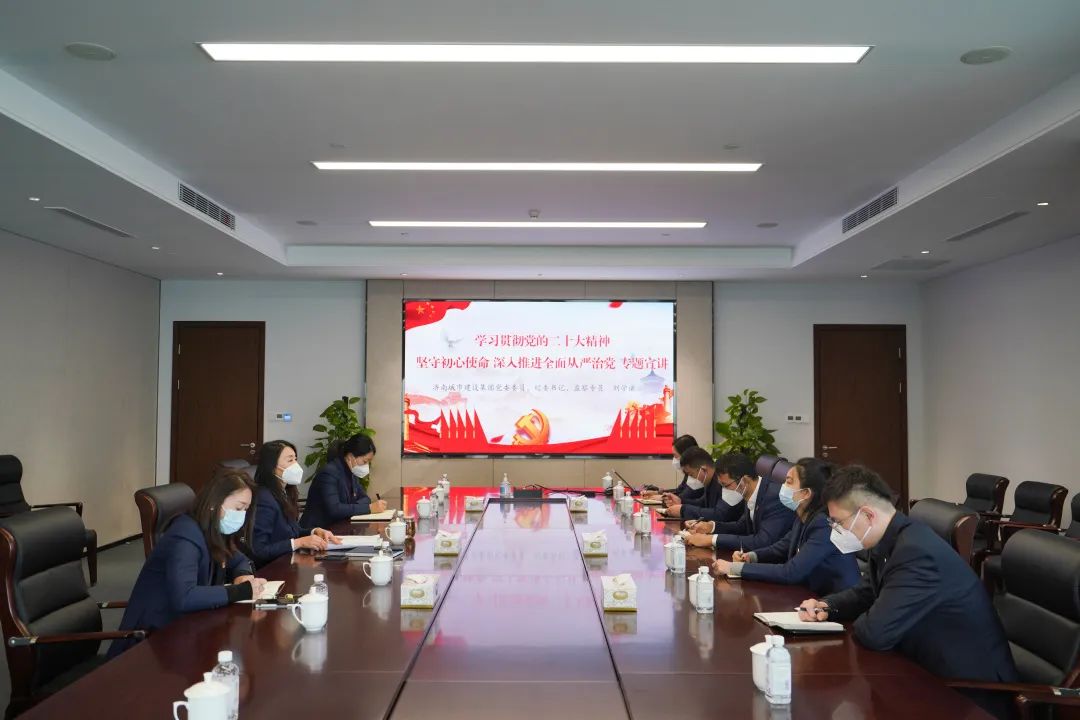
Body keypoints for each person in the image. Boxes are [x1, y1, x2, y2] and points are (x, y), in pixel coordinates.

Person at [796, 465, 1017, 718]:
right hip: (925, 672)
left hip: (970, 695)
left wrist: (869, 616)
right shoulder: (891, 538)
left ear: (867, 515)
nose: (835, 530)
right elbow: (867, 592)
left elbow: (875, 633)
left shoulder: (917, 554)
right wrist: (827, 606)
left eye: (838, 522)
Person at [108, 470, 267, 658]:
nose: (242, 516)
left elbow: (239, 559)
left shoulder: (212, 528)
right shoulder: (185, 536)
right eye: (239, 508)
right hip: (153, 640)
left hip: (188, 626)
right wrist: (240, 591)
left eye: (246, 510)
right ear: (215, 504)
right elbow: (184, 597)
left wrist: (242, 574)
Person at [711, 458, 859, 595]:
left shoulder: (823, 525)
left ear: (805, 493)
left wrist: (733, 568)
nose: (782, 487)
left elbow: (790, 572)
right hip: (810, 596)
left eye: (789, 482)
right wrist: (751, 556)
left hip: (836, 603)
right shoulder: (804, 516)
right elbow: (782, 547)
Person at [250, 440, 340, 567]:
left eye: (295, 459)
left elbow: (292, 532)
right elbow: (259, 550)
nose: (296, 465)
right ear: (272, 466)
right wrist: (299, 543)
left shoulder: (284, 492)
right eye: (290, 460)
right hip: (271, 569)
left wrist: (315, 532)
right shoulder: (264, 499)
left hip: (287, 563)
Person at [682, 452, 794, 551]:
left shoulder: (774, 498)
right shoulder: (751, 490)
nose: (723, 490)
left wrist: (711, 540)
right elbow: (742, 526)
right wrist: (710, 526)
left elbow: (761, 541)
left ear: (744, 480)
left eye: (726, 485)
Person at [301, 433, 388, 528]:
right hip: (316, 530)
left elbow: (366, 499)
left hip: (338, 526)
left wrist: (349, 508)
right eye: (365, 461)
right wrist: (369, 508)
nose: (366, 466)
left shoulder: (352, 472)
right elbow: (335, 509)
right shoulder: (329, 473)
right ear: (350, 457)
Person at [661, 449, 742, 523]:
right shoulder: (709, 480)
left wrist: (683, 510)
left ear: (703, 470)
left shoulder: (725, 480)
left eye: (691, 474)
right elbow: (703, 503)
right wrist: (681, 501)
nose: (691, 478)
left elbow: (719, 514)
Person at [641, 434, 704, 503]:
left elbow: (683, 497)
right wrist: (658, 492)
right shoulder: (689, 472)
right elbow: (679, 491)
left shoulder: (700, 473)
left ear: (686, 455)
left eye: (675, 456)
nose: (674, 459)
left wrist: (663, 497)